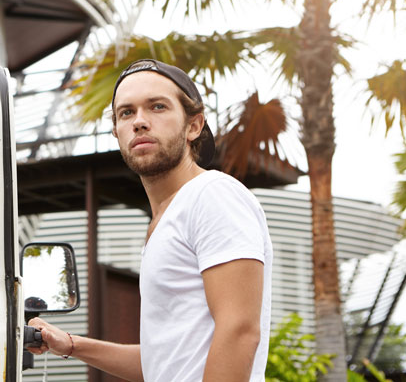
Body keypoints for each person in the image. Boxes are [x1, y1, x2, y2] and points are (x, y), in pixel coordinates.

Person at [28, 59, 273, 382]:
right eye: (126, 113)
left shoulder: (211, 195)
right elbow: (163, 363)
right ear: (116, 131)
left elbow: (240, 331)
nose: (140, 122)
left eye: (157, 107)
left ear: (193, 126)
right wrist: (71, 345)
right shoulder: (165, 219)